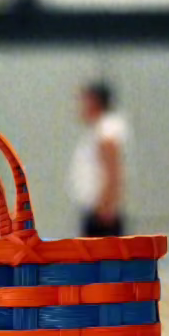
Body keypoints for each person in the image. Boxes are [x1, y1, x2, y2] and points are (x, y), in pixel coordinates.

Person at [67, 81, 129, 237]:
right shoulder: (98, 129)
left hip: (102, 213)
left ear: (95, 101)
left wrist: (106, 207)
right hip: (96, 209)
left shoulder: (107, 130)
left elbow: (113, 171)